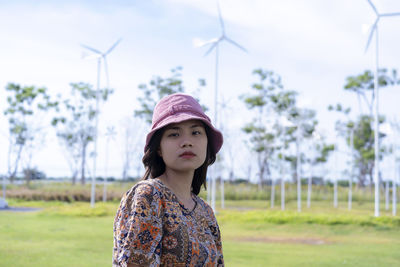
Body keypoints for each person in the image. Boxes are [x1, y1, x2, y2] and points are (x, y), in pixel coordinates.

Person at [113, 93, 224, 266]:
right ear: (159, 148)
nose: (187, 142)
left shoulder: (205, 211)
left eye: (196, 132)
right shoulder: (150, 195)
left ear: (207, 143)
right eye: (174, 134)